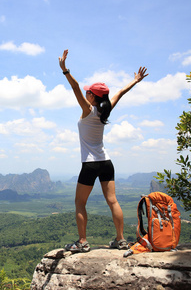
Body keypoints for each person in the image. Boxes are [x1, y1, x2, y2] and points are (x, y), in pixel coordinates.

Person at [59, 49, 148, 252]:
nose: (86, 93)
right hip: (106, 162)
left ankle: (82, 242)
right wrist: (135, 81)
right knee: (112, 201)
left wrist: (65, 70)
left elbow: (74, 87)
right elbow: (120, 93)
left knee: (80, 203)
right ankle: (121, 239)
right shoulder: (106, 109)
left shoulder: (88, 110)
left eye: (88, 92)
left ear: (92, 95)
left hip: (90, 164)